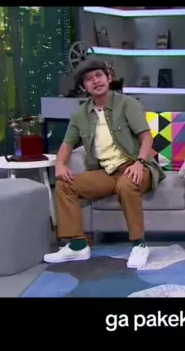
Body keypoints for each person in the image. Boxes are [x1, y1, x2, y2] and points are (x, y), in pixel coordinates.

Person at [43, 58, 164, 269]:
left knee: (126, 183)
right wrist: (60, 164)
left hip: (136, 166)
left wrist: (139, 163)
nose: (96, 81)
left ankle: (139, 244)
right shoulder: (80, 115)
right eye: (89, 79)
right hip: (106, 173)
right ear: (84, 86)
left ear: (109, 78)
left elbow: (146, 138)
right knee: (65, 185)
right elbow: (67, 144)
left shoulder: (128, 104)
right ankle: (78, 245)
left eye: (99, 75)